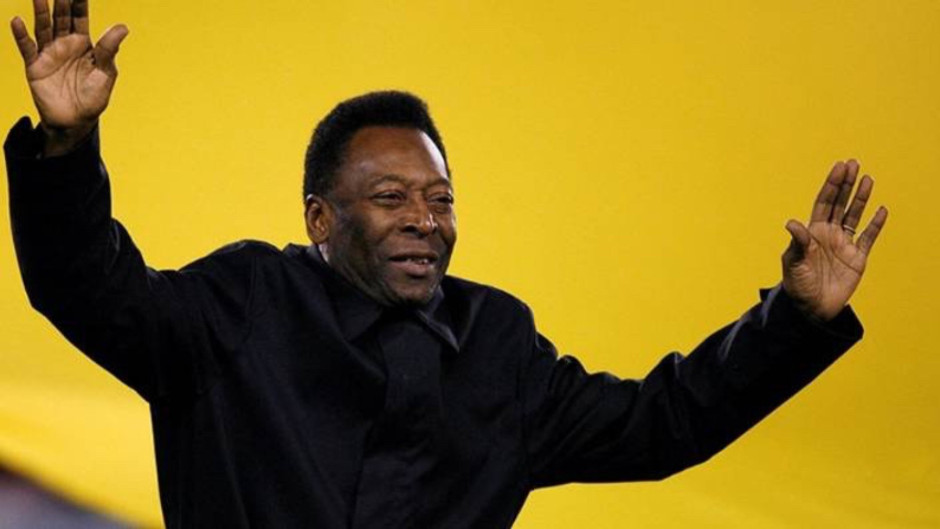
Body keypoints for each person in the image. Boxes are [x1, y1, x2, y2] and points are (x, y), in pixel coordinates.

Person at [5, 1, 889, 528]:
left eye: (441, 198)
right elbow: (88, 287)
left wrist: (793, 319)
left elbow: (661, 426)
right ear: (320, 218)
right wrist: (66, 144)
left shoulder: (497, 342)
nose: (424, 220)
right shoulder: (243, 303)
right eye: (391, 197)